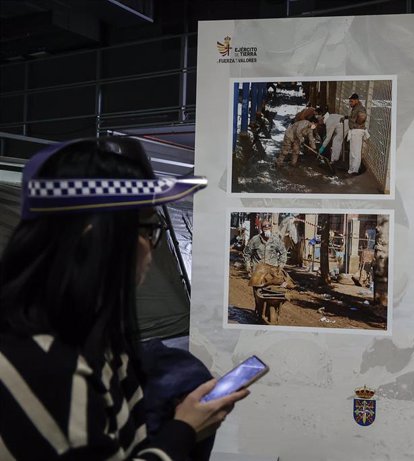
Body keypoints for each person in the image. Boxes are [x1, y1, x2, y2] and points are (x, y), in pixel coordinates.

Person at [0, 137, 248, 460]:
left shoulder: (93, 339)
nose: (151, 246)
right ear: (92, 235)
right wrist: (184, 431)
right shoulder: (46, 370)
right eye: (147, 230)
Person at [346, 93, 368, 175]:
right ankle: (352, 169)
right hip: (354, 131)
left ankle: (354, 170)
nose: (350, 103)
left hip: (357, 131)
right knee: (353, 152)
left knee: (356, 152)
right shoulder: (356, 107)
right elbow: (354, 117)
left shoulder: (360, 108)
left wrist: (356, 125)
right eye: (350, 101)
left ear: (356, 100)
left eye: (351, 101)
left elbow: (362, 118)